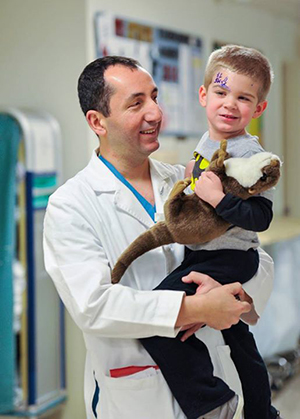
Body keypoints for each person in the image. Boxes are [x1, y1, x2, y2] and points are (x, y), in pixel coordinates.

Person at [43, 55, 275, 419]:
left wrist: (234, 293)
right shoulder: (71, 204)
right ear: (97, 121)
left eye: (154, 97)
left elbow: (253, 253)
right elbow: (93, 305)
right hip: (135, 399)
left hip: (217, 386)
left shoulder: (188, 179)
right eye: (136, 103)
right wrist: (195, 308)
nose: (155, 113)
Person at [139, 45, 281, 419]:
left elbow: (261, 216)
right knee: (240, 343)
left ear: (259, 108)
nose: (229, 104)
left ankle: (213, 401)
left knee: (159, 314)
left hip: (230, 259)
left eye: (243, 97)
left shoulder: (253, 155)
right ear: (203, 95)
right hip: (205, 255)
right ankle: (261, 413)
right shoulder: (206, 146)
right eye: (220, 92)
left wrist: (218, 199)